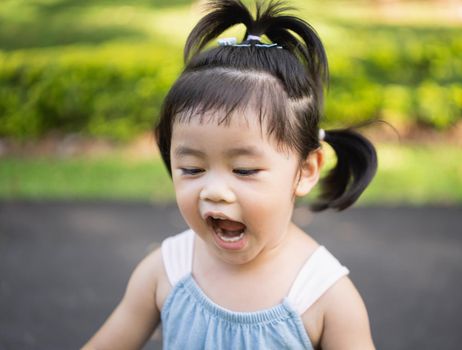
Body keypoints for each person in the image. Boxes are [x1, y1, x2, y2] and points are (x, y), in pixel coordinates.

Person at [83, 0, 377, 348]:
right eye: (192, 168)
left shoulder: (324, 297)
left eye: (244, 170)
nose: (215, 191)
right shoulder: (167, 270)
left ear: (306, 170)